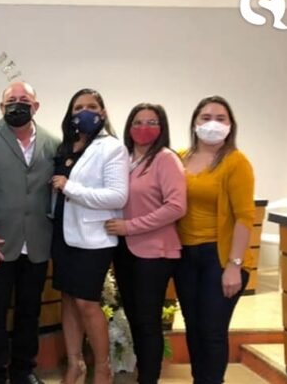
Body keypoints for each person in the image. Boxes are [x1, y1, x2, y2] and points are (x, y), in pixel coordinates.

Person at [0, 82, 59, 384]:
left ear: (36, 106)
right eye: (11, 100)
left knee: (29, 312)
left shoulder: (53, 143)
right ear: (1, 106)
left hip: (37, 243)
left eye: (25, 100)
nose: (18, 104)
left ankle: (24, 370)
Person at [173, 96, 255, 384]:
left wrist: (234, 265)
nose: (212, 124)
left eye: (221, 118)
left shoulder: (236, 162)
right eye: (206, 117)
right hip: (185, 256)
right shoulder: (179, 158)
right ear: (194, 122)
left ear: (231, 125)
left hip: (219, 258)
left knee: (212, 330)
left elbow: (245, 216)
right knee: (193, 328)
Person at [50, 88, 128, 384]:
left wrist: (69, 187)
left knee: (86, 303)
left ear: (103, 112)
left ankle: (103, 368)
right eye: (78, 107)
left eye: (92, 107)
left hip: (94, 238)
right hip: (63, 234)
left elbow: (117, 196)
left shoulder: (112, 148)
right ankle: (75, 364)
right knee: (69, 300)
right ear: (70, 115)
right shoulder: (66, 147)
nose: (85, 112)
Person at [105, 103, 187, 384]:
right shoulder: (124, 158)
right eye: (138, 122)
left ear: (162, 127)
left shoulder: (166, 159)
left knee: (148, 322)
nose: (143, 128)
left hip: (154, 252)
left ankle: (149, 379)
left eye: (151, 122)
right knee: (135, 318)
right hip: (125, 251)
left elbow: (176, 206)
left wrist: (130, 226)